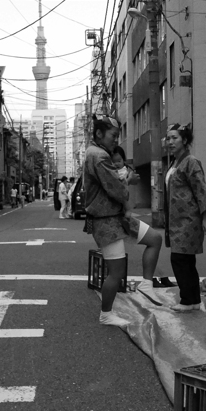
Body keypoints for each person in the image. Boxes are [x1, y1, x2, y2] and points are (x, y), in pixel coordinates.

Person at [82, 118, 131, 327]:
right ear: (100, 134)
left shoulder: (93, 152)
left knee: (117, 268)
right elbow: (118, 189)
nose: (116, 140)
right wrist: (127, 181)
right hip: (107, 220)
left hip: (108, 218)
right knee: (116, 271)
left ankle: (108, 311)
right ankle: (106, 313)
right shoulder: (100, 156)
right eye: (113, 135)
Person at [163, 123, 206, 312]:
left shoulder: (190, 161)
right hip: (176, 220)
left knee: (180, 259)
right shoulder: (175, 162)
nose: (170, 142)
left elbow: (201, 190)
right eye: (168, 138)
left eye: (174, 138)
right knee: (185, 261)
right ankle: (193, 300)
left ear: (185, 140)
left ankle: (188, 300)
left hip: (188, 220)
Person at [112, 146, 163, 289]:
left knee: (155, 239)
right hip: (116, 219)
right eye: (113, 161)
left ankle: (146, 283)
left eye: (119, 161)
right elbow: (116, 192)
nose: (116, 164)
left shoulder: (123, 171)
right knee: (155, 240)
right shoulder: (108, 172)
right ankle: (146, 283)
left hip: (122, 217)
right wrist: (128, 181)